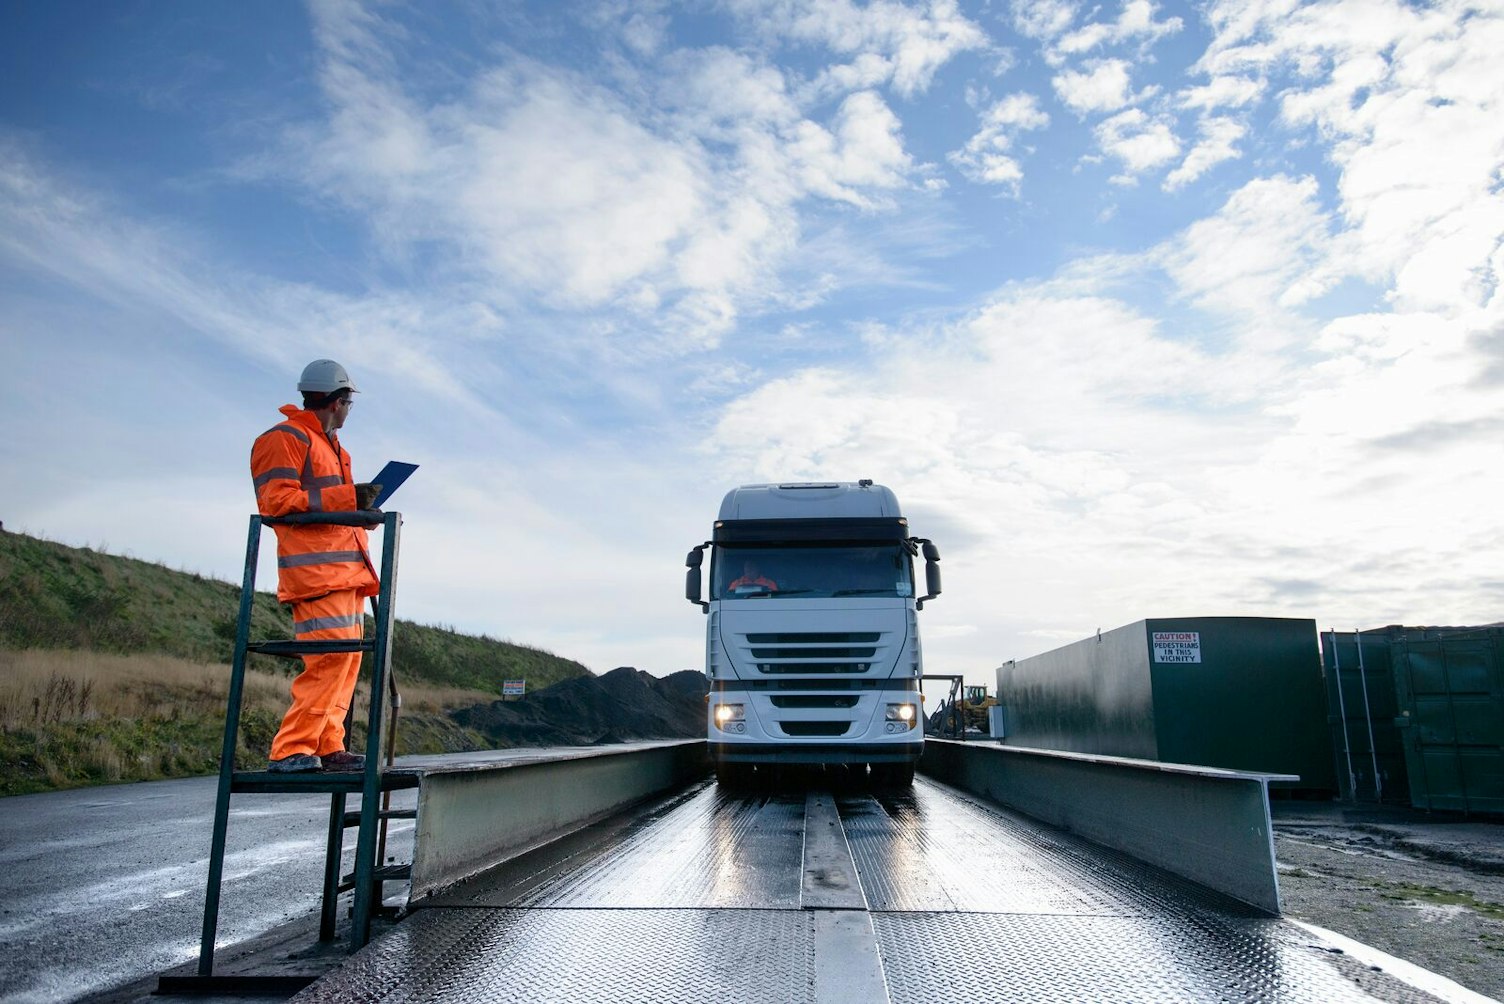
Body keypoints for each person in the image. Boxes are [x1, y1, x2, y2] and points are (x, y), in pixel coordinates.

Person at [249, 359, 382, 773]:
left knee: (345, 662)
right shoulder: (284, 438)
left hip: (346, 574)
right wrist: (348, 501)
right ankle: (290, 749)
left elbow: (330, 504)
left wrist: (361, 512)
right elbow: (276, 502)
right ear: (337, 401)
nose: (348, 411)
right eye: (349, 403)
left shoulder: (334, 448)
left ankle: (328, 746)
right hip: (316, 574)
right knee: (327, 660)